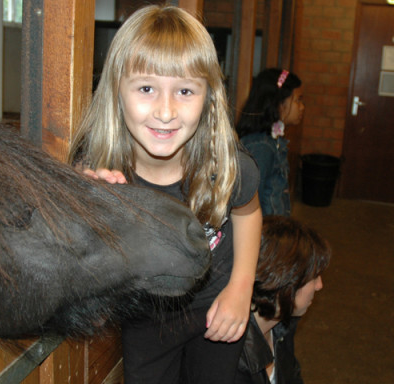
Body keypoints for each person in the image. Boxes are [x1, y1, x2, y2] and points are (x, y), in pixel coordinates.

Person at [67, 5, 262, 383]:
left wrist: (242, 288)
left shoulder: (228, 166)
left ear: (208, 98)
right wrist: (81, 194)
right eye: (146, 88)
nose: (166, 111)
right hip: (147, 316)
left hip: (216, 308)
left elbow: (248, 213)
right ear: (116, 91)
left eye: (185, 91)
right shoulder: (98, 168)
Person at [236, 216, 331, 384]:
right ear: (283, 283)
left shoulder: (281, 325)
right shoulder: (232, 362)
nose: (319, 285)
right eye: (314, 277)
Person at [236, 68, 304, 217]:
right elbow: (249, 206)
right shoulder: (261, 147)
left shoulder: (272, 140)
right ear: (279, 103)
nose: (301, 107)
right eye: (298, 100)